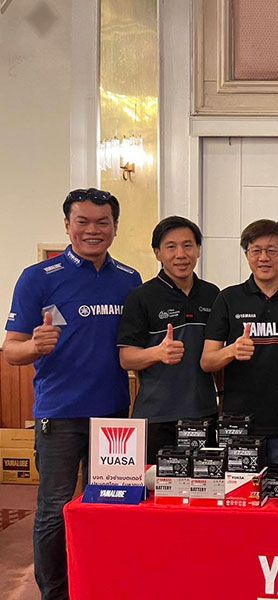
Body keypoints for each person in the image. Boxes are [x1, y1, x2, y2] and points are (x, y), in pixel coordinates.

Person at [3, 188, 141, 600]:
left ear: (115, 227)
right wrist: (35, 345)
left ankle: (101, 585)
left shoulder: (129, 279)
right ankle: (56, 593)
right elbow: (11, 350)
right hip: (59, 415)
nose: (92, 230)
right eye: (83, 221)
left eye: (102, 222)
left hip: (113, 417)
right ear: (67, 225)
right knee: (54, 510)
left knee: (110, 507)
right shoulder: (37, 277)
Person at [200, 219, 278, 465]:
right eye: (256, 250)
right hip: (239, 425)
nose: (264, 258)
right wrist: (232, 350)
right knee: (241, 490)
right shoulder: (228, 298)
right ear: (247, 255)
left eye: (272, 250)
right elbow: (207, 361)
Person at [117, 216, 220, 464]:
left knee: (202, 486)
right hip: (156, 417)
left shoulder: (213, 294)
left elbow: (217, 354)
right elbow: (126, 358)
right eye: (171, 247)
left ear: (198, 250)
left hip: (204, 414)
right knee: (155, 487)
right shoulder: (141, 297)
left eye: (188, 245)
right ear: (158, 253)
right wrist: (157, 353)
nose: (180, 254)